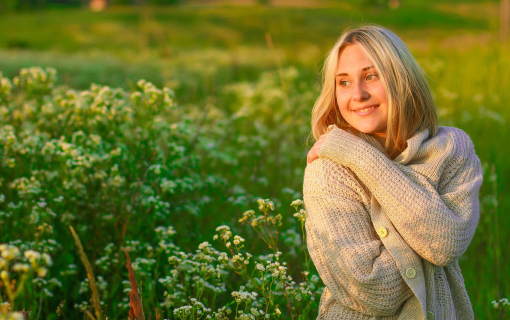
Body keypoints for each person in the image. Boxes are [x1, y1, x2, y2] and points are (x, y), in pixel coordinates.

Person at [303, 25, 483, 320]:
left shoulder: (453, 149)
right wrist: (425, 233)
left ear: (402, 80)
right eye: (344, 82)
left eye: (371, 76)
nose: (358, 94)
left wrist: (360, 157)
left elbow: (445, 244)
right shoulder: (328, 170)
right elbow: (373, 290)